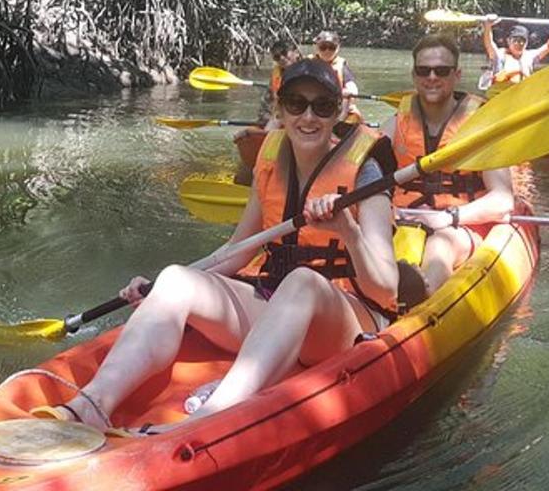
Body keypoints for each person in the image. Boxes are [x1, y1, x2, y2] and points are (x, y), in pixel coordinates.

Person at [35, 59, 399, 433]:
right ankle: (93, 403)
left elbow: (386, 288)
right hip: (278, 307)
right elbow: (237, 250)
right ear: (280, 108)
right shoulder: (271, 159)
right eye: (296, 103)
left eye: (322, 106)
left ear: (338, 110)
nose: (309, 116)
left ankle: (210, 418)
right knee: (177, 279)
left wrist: (349, 232)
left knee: (303, 281)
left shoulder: (365, 170)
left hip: (345, 321)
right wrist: (159, 287)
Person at [383, 34, 516, 296]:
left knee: (441, 245)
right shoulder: (395, 125)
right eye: (424, 70)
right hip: (404, 219)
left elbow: (503, 200)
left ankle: (418, 304)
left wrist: (448, 217)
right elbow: (364, 181)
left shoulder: (481, 127)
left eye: (441, 71)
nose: (432, 77)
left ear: (457, 74)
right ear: (414, 75)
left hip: (460, 225)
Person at [233, 40, 302, 185]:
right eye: (277, 57)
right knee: (249, 141)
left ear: (295, 52)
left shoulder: (309, 70)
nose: (282, 59)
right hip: (279, 120)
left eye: (284, 53)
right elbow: (267, 104)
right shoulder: (276, 75)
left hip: (301, 122)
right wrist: (263, 126)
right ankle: (248, 184)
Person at [481, 16, 549, 85]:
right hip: (502, 95)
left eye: (523, 41)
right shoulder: (500, 54)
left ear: (527, 43)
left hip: (522, 95)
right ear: (508, 41)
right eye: (515, 40)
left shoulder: (530, 56)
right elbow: (489, 44)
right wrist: (487, 27)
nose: (519, 44)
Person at [312, 29, 361, 122]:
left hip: (337, 108)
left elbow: (352, 87)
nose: (327, 51)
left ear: (338, 48)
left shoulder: (341, 66)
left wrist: (348, 92)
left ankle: (339, 121)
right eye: (323, 47)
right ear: (316, 47)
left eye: (331, 47)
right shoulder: (308, 64)